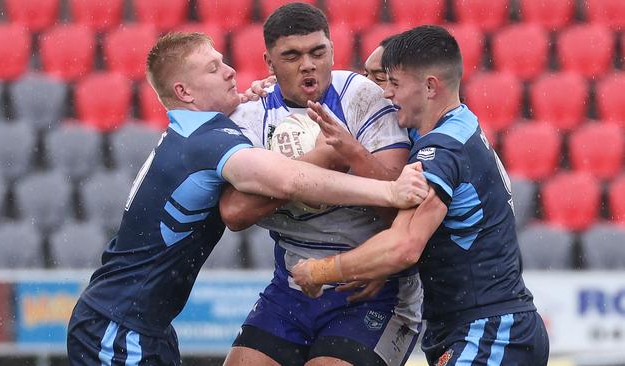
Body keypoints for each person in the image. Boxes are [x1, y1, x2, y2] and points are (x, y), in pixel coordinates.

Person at [66, 32, 429, 366]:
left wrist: (252, 98)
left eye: (224, 61)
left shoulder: (196, 133)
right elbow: (290, 181)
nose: (230, 71)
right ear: (185, 91)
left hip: (141, 321)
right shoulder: (209, 142)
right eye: (213, 68)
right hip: (119, 323)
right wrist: (389, 190)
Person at [291, 25, 550, 366]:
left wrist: (319, 272)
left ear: (430, 87)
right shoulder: (459, 125)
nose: (386, 95)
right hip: (479, 325)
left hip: (488, 329)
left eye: (393, 83)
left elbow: (403, 246)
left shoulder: (440, 151)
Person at [221, 3, 424, 366]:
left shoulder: (362, 96)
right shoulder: (251, 115)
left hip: (370, 287)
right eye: (292, 55)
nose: (308, 64)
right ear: (269, 62)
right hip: (291, 287)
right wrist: (320, 163)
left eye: (318, 52)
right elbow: (235, 213)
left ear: (332, 49)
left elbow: (396, 210)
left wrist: (352, 153)